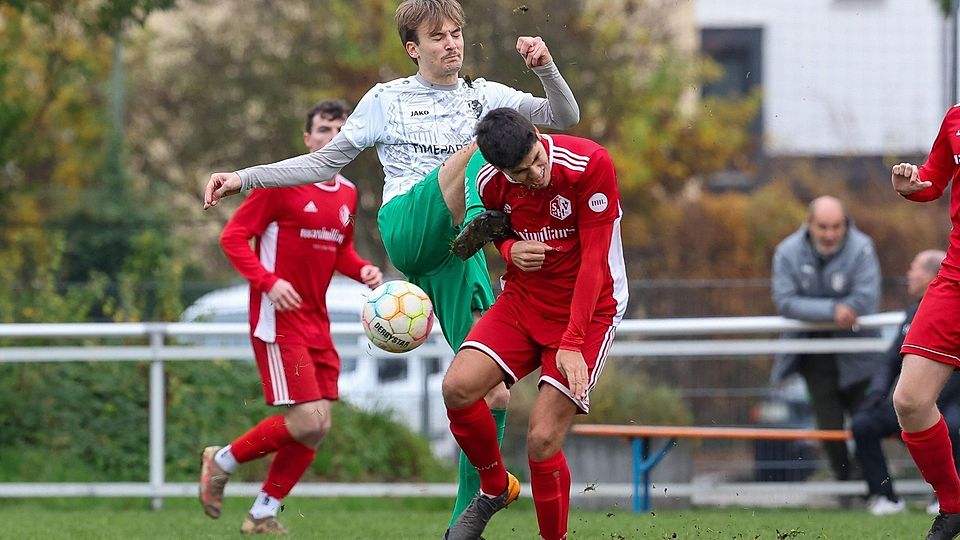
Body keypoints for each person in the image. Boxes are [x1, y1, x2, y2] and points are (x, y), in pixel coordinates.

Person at [202, 0, 580, 528]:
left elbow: (565, 118)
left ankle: (473, 512)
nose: (451, 43)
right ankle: (486, 222)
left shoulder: (486, 93)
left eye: (456, 33)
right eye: (437, 36)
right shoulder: (387, 99)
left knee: (490, 390)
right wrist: (244, 176)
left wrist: (544, 67)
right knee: (484, 142)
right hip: (408, 226)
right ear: (412, 48)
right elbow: (323, 162)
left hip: (453, 255)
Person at [199, 99, 384, 534]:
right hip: (278, 321)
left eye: (341, 131)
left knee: (316, 429)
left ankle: (263, 511)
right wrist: (269, 281)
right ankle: (221, 460)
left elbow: (340, 252)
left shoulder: (347, 195)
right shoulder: (281, 185)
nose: (332, 139)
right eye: (324, 130)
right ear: (308, 139)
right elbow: (233, 238)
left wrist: (363, 271)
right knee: (308, 420)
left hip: (316, 322)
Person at [442, 108, 628, 540]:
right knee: (457, 388)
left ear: (538, 135)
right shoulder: (490, 183)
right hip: (523, 301)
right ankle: (494, 487)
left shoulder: (589, 164)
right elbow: (493, 231)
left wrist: (573, 341)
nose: (536, 175)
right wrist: (509, 251)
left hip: (590, 308)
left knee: (542, 440)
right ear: (499, 168)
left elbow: (595, 264)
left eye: (537, 161)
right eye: (522, 173)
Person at [770, 196, 882, 483]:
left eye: (836, 226)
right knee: (829, 430)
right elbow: (785, 302)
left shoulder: (863, 248)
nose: (830, 234)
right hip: (814, 357)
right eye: (823, 227)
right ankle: (847, 486)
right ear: (809, 224)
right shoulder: (787, 251)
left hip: (861, 355)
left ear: (846, 224)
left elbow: (866, 299)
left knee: (866, 424)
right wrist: (834, 310)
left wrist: (823, 309)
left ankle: (874, 488)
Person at [891, 104, 960, 539]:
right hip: (955, 280)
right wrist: (910, 185)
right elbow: (933, 182)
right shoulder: (956, 118)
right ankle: (954, 505)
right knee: (910, 400)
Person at [852, 249, 960, 516]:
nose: (909, 274)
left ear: (934, 275)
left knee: (955, 425)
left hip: (950, 401)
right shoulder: (913, 314)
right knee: (863, 423)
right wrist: (877, 393)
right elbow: (889, 360)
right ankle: (885, 497)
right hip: (915, 400)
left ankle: (947, 499)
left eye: (915, 268)